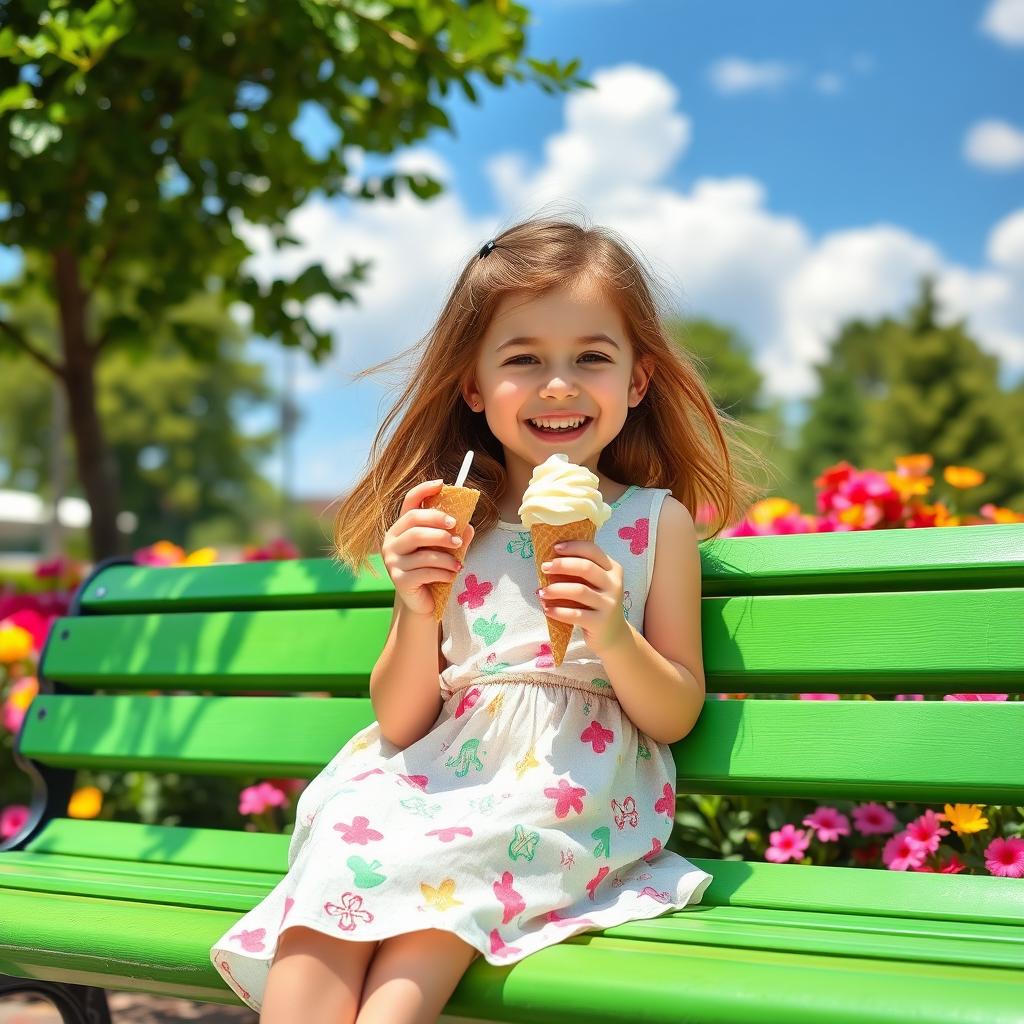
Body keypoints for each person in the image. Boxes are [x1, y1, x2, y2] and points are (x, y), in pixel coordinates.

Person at [209, 212, 768, 1024]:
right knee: (337, 872)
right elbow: (401, 720)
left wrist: (613, 633)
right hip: (434, 778)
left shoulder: (654, 523)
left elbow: (675, 712)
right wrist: (414, 605)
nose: (558, 384)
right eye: (524, 359)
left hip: (567, 786)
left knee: (440, 899)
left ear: (637, 382)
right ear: (473, 385)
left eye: (591, 358)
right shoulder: (450, 521)